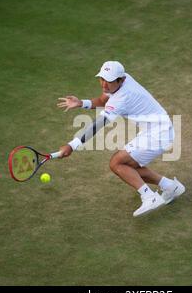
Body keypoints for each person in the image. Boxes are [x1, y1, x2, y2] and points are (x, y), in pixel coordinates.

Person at [57, 61, 185, 217]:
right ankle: (171, 187)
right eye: (102, 79)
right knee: (129, 168)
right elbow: (102, 100)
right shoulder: (123, 79)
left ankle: (149, 197)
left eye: (109, 81)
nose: (104, 84)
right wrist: (81, 103)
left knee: (117, 163)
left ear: (120, 80)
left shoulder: (122, 98)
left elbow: (98, 125)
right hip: (157, 129)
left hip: (158, 133)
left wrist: (72, 145)